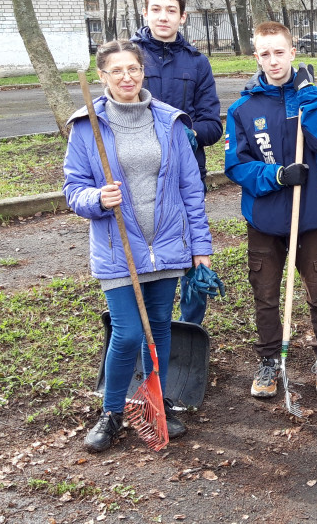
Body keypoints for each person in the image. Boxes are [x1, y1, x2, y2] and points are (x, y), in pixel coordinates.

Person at [64, 39, 213, 452]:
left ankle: (155, 403)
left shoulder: (169, 121)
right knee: (128, 334)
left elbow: (191, 190)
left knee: (159, 328)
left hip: (165, 245)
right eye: (117, 71)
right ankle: (112, 412)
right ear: (103, 76)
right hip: (119, 248)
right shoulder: (88, 126)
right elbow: (73, 188)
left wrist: (199, 248)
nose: (126, 77)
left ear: (142, 72)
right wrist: (97, 198)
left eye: (133, 69)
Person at [224, 21, 317, 398]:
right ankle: (269, 361)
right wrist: (275, 175)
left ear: (293, 52)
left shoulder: (316, 98)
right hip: (264, 219)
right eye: (266, 54)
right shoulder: (243, 108)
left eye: (280, 52)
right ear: (256, 57)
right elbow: (235, 165)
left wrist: (308, 100)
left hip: (308, 216)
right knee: (265, 294)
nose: (273, 60)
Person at [129, 0, 223, 327]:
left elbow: (213, 124)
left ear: (183, 17)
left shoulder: (197, 63)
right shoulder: (130, 57)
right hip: (138, 173)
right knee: (145, 252)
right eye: (156, 9)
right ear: (145, 12)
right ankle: (149, 327)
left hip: (186, 176)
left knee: (193, 251)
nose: (163, 16)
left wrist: (188, 134)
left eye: (171, 10)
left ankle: (188, 328)